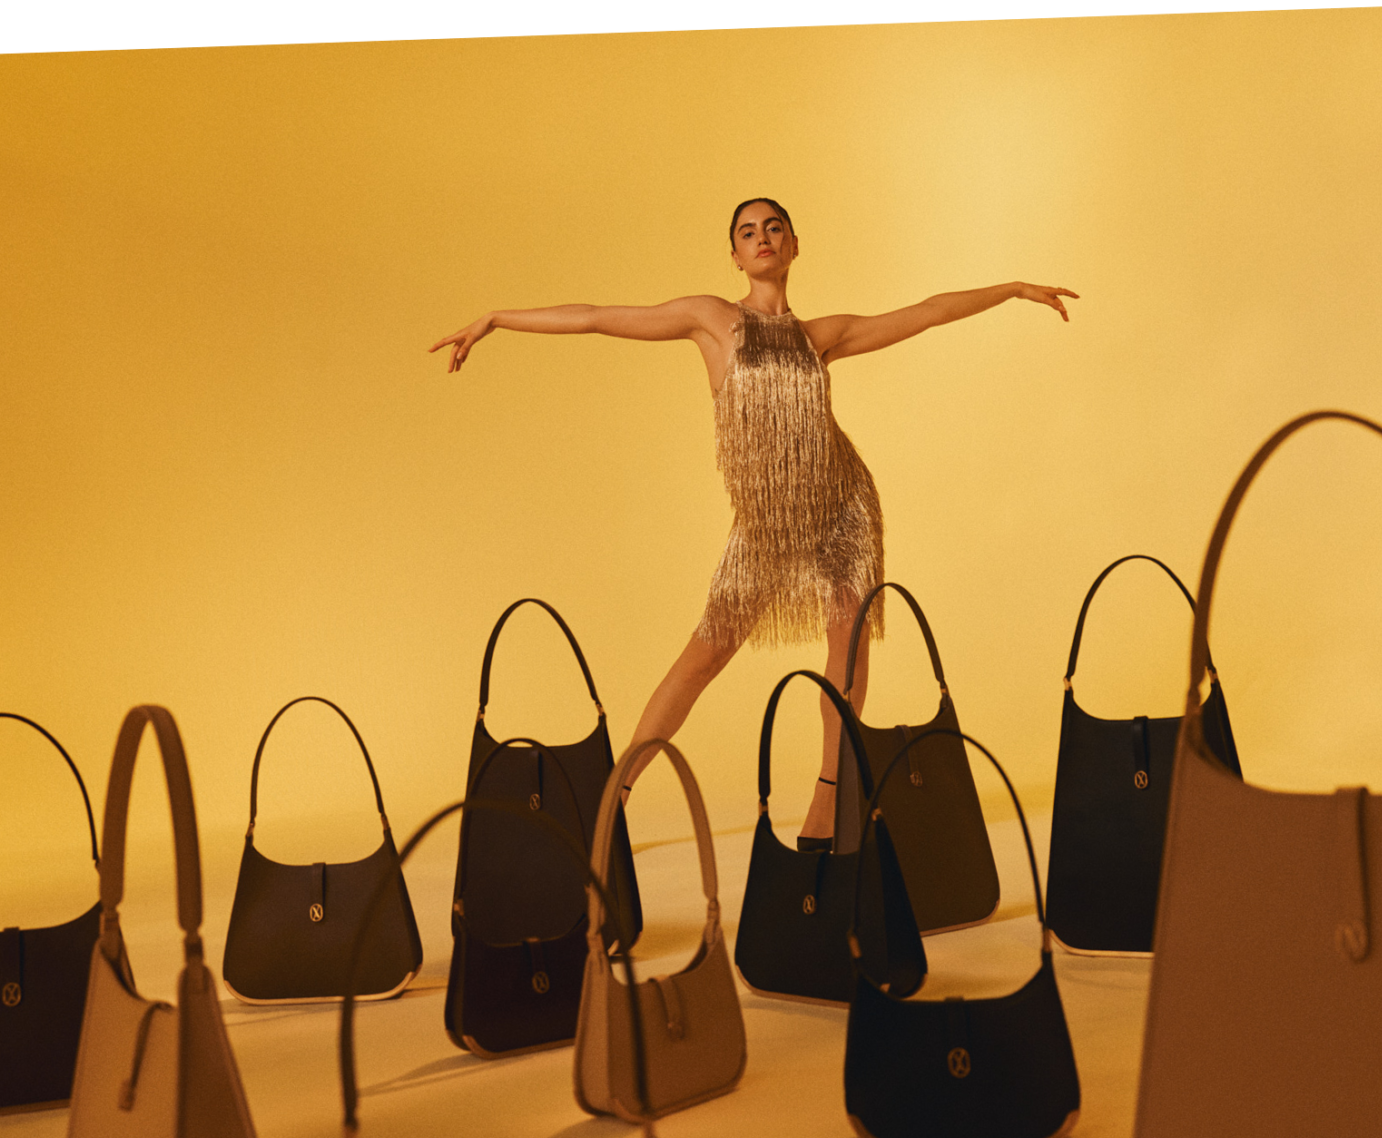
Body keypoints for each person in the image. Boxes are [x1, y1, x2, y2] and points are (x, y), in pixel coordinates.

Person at [432, 198, 1075, 847]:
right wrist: (496, 318)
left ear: (794, 243)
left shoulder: (822, 335)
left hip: (843, 503)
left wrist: (1014, 289)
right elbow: (599, 317)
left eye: (774, 228)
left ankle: (829, 798)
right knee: (702, 658)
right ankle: (614, 797)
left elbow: (925, 313)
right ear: (735, 255)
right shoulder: (711, 319)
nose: (762, 238)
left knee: (845, 649)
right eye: (748, 231)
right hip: (767, 524)